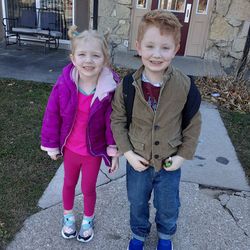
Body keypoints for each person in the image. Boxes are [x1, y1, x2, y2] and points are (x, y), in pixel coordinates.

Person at [111, 10, 201, 250]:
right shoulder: (128, 85)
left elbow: (193, 123)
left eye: (165, 47)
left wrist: (182, 155)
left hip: (169, 162)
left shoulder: (185, 86)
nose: (156, 54)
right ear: (139, 47)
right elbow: (117, 120)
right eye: (150, 46)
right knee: (137, 202)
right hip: (138, 161)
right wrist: (128, 153)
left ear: (176, 49)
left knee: (168, 203)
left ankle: (165, 236)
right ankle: (138, 235)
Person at [40, 26, 120, 243]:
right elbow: (52, 114)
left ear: (104, 59)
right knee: (68, 184)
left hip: (93, 151)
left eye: (95, 55)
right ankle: (67, 217)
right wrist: (51, 145)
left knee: (88, 187)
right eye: (82, 54)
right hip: (70, 149)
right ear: (73, 58)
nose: (89, 60)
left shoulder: (110, 88)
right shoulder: (65, 84)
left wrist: (113, 151)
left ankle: (87, 219)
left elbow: (113, 122)